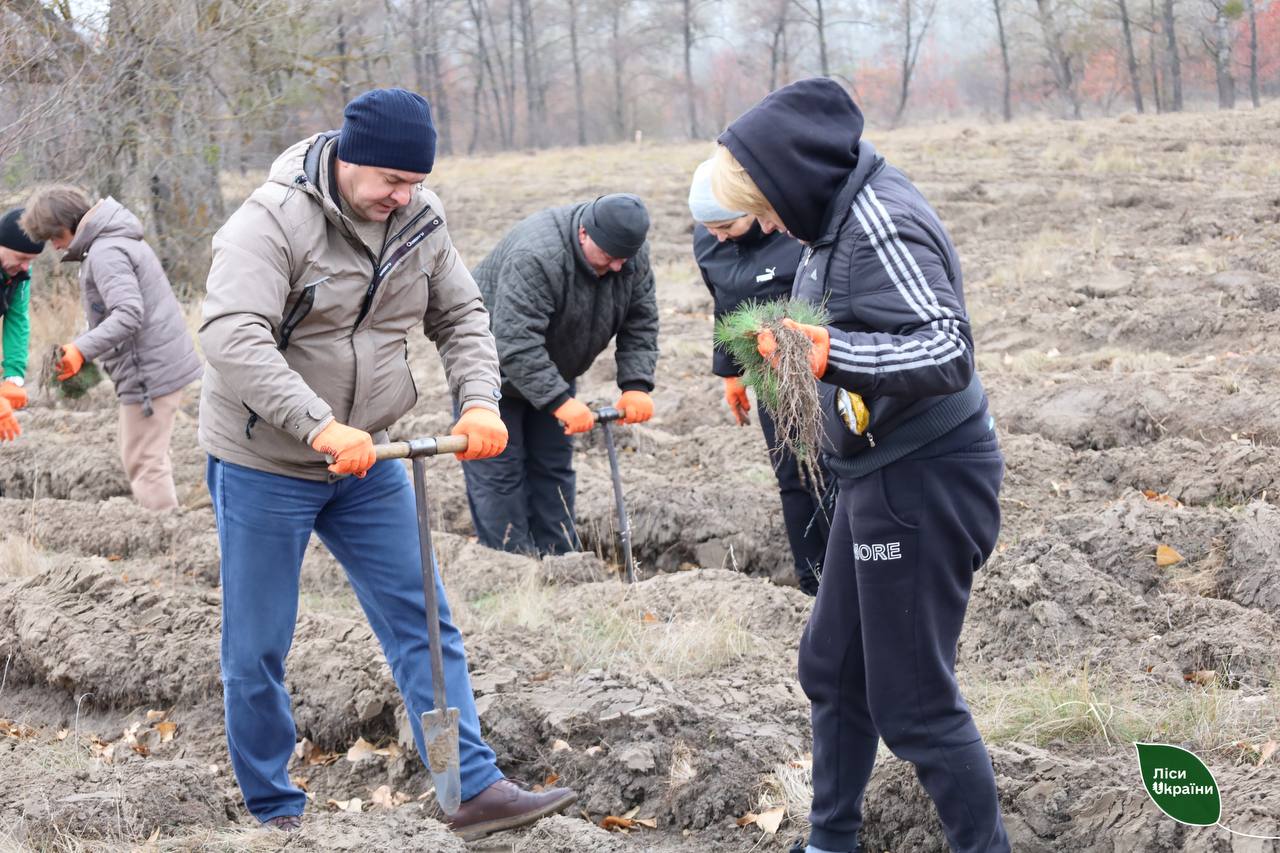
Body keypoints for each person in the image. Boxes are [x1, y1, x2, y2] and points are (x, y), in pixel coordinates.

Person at [197, 87, 576, 839]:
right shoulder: (270, 221)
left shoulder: (419, 222)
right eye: (391, 183)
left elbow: (463, 315)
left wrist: (477, 401)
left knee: (425, 621)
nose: (402, 196)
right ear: (349, 158)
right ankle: (275, 808)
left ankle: (469, 786)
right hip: (267, 460)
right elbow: (232, 336)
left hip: (370, 460)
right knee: (259, 642)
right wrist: (317, 426)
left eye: (414, 183)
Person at [711, 78, 1008, 853]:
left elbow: (947, 347)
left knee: (911, 701)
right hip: (875, 471)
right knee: (832, 668)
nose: (768, 225)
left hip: (926, 474)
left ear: (794, 180)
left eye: (766, 207)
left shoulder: (879, 223)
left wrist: (832, 352)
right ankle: (830, 841)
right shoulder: (828, 226)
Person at [465, 192, 659, 557]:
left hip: (553, 368)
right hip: (488, 376)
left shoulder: (628, 257)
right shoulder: (537, 255)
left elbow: (641, 320)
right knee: (500, 472)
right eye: (609, 257)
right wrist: (559, 401)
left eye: (624, 259)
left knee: (553, 467)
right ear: (584, 233)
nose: (617, 267)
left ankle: (560, 560)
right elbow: (514, 343)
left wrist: (636, 384)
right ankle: (511, 565)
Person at [688, 159, 829, 595]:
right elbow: (724, 303)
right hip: (767, 375)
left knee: (830, 469)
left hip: (821, 368)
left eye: (726, 224)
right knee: (792, 476)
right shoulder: (708, 239)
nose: (716, 236)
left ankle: (846, 570)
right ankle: (812, 581)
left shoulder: (792, 231)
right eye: (709, 228)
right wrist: (730, 371)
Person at [20, 187, 201, 509]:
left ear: (67, 224)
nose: (55, 246)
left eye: (53, 237)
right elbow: (111, 313)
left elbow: (128, 314)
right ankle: (166, 525)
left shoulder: (105, 252)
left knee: (144, 463)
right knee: (146, 456)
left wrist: (82, 350)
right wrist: (78, 346)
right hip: (154, 368)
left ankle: (164, 537)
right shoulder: (112, 241)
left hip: (149, 373)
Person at [0, 208, 42, 443]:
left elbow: (16, 319)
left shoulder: (18, 274)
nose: (26, 267)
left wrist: (12, 378)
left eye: (31, 260)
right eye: (21, 258)